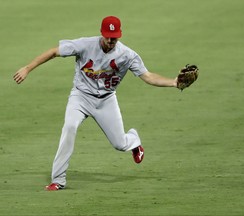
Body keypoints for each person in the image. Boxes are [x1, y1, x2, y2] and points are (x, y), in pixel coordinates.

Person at [13, 16, 177, 191]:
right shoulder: (85, 45)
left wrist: (173, 82)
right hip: (80, 97)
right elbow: (54, 51)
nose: (110, 40)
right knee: (69, 127)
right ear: (102, 33)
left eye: (114, 36)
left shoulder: (127, 55)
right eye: (107, 36)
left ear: (119, 35)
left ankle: (134, 141)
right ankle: (58, 180)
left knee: (120, 144)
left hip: (106, 100)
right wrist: (27, 68)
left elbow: (148, 76)